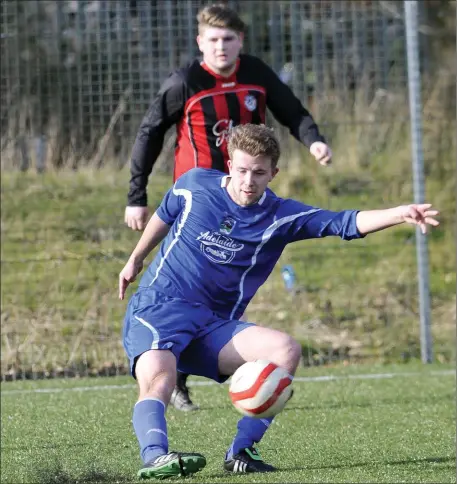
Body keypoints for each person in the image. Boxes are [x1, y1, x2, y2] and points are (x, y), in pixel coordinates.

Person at [119, 124, 439, 479]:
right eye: (241, 170)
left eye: (259, 172)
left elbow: (342, 223)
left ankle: (241, 452)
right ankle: (154, 457)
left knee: (285, 349)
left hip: (212, 325)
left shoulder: (279, 216)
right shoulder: (195, 184)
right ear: (229, 164)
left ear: (274, 172)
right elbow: (165, 213)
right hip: (159, 308)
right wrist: (135, 259)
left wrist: (398, 214)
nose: (248, 181)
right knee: (160, 380)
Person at [124, 3, 332, 411]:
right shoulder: (185, 82)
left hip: (245, 194)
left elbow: (292, 110)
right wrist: (137, 197)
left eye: (229, 39)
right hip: (198, 199)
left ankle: (213, 359)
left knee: (224, 285)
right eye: (213, 40)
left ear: (241, 42)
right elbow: (150, 133)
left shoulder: (255, 74)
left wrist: (314, 140)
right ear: (200, 42)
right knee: (185, 286)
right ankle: (170, 370)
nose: (221, 47)